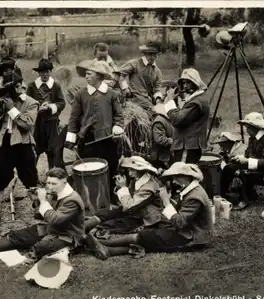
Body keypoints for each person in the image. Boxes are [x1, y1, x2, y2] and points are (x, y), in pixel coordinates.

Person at [85, 162, 213, 260]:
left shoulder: (195, 196)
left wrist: (166, 201)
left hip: (191, 237)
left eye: (175, 178)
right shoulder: (192, 190)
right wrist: (168, 201)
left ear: (184, 177)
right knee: (149, 236)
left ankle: (103, 244)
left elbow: (179, 222)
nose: (173, 181)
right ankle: (108, 249)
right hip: (185, 229)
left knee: (145, 237)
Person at [0, 168, 85, 259]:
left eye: (54, 184)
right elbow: (41, 215)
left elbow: (54, 219)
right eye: (48, 183)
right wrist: (37, 201)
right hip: (51, 229)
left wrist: (43, 200)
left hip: (67, 237)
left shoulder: (72, 200)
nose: (50, 187)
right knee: (16, 236)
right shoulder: (57, 192)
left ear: (64, 182)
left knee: (40, 248)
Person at [64, 60, 125, 199]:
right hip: (86, 139)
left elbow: (119, 115)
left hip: (107, 139)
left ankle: (111, 196)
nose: (86, 76)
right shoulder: (80, 94)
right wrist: (71, 140)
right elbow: (74, 118)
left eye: (89, 74)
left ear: (99, 76)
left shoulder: (112, 94)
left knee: (110, 166)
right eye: (85, 73)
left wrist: (117, 128)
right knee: (87, 167)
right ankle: (89, 197)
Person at [0, 71, 40, 219]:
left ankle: (39, 208)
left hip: (23, 145)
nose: (6, 95)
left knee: (30, 178)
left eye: (9, 91)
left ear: (18, 87)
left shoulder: (31, 103)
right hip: (4, 144)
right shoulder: (2, 102)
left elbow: (27, 124)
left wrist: (11, 109)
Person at [84, 156, 169, 235]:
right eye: (129, 170)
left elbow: (129, 205)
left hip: (145, 219)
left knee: (113, 224)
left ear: (140, 170)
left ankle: (88, 232)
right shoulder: (136, 179)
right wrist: (119, 187)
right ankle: (83, 228)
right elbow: (126, 202)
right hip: (134, 212)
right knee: (103, 213)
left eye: (132, 170)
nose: (129, 173)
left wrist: (123, 187)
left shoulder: (149, 187)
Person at [220, 112, 264, 210]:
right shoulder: (254, 138)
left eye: (248, 127)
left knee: (243, 173)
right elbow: (248, 154)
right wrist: (240, 158)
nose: (246, 130)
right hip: (254, 166)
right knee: (229, 167)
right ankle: (224, 194)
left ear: (256, 127)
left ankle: (246, 199)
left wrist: (247, 161)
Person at [163, 68, 210, 164]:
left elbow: (177, 120)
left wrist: (170, 101)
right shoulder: (196, 99)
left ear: (195, 83)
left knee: (182, 174)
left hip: (187, 146)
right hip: (188, 145)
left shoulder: (196, 102)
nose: (185, 86)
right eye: (183, 83)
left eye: (188, 82)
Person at [26, 58, 66, 169]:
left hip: (52, 123)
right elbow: (27, 104)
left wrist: (51, 107)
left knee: (53, 150)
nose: (45, 74)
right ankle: (33, 178)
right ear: (38, 73)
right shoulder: (32, 86)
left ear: (50, 72)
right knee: (35, 150)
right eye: (42, 72)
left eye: (47, 72)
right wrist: (38, 107)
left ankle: (52, 174)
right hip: (37, 123)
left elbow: (62, 102)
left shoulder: (56, 86)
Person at [119, 41, 164, 111]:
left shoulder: (157, 71)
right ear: (145, 54)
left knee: (162, 110)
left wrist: (158, 99)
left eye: (154, 55)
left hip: (148, 99)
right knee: (154, 111)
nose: (152, 57)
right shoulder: (135, 63)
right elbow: (119, 75)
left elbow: (157, 89)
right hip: (135, 97)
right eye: (150, 54)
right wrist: (125, 88)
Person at [149, 103, 175, 169]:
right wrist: (173, 141)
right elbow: (159, 139)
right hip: (161, 157)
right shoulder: (159, 121)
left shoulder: (166, 120)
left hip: (166, 155)